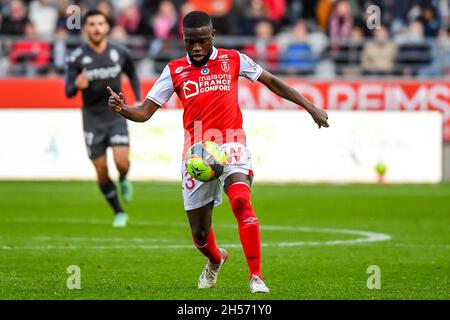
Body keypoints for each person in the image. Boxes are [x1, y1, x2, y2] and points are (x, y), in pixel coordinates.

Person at [107, 11, 328, 292]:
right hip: (197, 154)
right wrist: (123, 109)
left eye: (202, 41)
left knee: (240, 201)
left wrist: (310, 106)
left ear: (213, 36)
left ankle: (256, 277)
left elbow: (270, 81)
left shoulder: (233, 59)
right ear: (183, 40)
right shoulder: (173, 70)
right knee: (199, 234)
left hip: (232, 143)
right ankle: (214, 260)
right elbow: (145, 112)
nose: (197, 48)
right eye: (190, 42)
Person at [65, 10, 141, 227]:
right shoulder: (76, 57)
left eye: (100, 23)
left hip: (116, 114)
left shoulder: (120, 52)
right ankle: (118, 211)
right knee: (101, 170)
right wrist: (75, 86)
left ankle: (124, 178)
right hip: (92, 118)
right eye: (91, 24)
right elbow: (68, 91)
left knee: (121, 163)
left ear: (107, 27)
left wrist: (137, 96)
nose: (97, 28)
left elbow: (133, 74)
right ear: (86, 28)